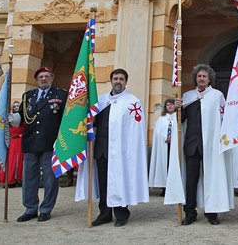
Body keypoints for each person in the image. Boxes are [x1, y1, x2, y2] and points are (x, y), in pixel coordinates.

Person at [75, 68, 149, 227]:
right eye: (115, 78)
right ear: (111, 81)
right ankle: (105, 213)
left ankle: (121, 213)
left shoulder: (132, 102)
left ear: (126, 82)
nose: (118, 81)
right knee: (103, 182)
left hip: (122, 151)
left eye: (121, 79)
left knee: (119, 180)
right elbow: (92, 124)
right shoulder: (100, 101)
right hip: (102, 149)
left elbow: (135, 130)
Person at [168, 64, 234, 226]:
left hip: (211, 145)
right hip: (192, 145)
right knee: (191, 180)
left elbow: (224, 119)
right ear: (195, 79)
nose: (201, 78)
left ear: (209, 78)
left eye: (204, 76)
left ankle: (212, 212)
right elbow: (180, 121)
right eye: (199, 76)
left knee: (212, 177)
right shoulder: (187, 96)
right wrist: (177, 109)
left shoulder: (217, 96)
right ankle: (190, 212)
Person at [17, 67, 66, 223]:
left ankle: (46, 209)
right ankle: (30, 208)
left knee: (50, 179)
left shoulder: (61, 95)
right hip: (31, 142)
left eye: (47, 76)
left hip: (50, 143)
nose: (43, 79)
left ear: (52, 78)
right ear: (36, 79)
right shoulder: (28, 97)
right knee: (29, 178)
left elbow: (66, 119)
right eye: (41, 76)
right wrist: (8, 117)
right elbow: (20, 118)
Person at [149, 98, 177, 197]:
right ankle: (164, 187)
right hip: (163, 146)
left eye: (172, 104)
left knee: (173, 165)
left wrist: (173, 138)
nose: (169, 106)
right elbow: (157, 133)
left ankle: (174, 187)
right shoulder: (161, 119)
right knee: (164, 165)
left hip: (175, 147)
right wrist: (165, 137)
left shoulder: (178, 118)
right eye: (168, 105)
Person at [0, 101, 24, 187]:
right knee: (11, 160)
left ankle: (20, 179)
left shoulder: (24, 118)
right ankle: (10, 180)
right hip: (12, 141)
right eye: (15, 106)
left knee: (20, 160)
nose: (16, 108)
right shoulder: (10, 118)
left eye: (18, 106)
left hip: (21, 141)